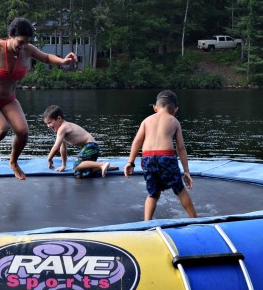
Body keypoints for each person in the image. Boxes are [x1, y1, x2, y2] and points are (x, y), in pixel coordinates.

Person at [0, 17, 77, 180]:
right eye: (21, 42)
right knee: (1, 128)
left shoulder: (27, 49)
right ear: (10, 35)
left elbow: (47, 58)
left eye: (27, 42)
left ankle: (13, 162)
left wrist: (63, 61)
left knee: (23, 132)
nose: (23, 46)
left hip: (8, 99)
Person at [123, 90, 197, 221]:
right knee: (180, 190)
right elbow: (181, 148)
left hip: (148, 158)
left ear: (155, 108)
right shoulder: (174, 121)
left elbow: (137, 141)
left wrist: (130, 162)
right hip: (166, 157)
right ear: (175, 109)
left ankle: (146, 223)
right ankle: (195, 220)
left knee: (153, 193)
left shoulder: (146, 120)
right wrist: (186, 171)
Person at [42, 105, 118, 177]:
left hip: (91, 146)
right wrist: (63, 165)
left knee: (77, 165)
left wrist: (49, 159)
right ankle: (105, 167)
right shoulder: (62, 130)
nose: (48, 126)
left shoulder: (63, 128)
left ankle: (102, 164)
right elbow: (63, 149)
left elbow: (56, 147)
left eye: (49, 122)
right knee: (79, 173)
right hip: (92, 148)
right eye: (47, 124)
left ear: (59, 118)